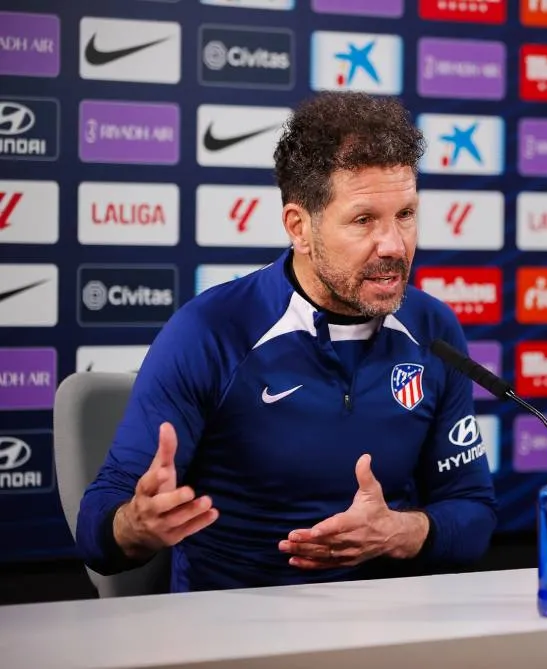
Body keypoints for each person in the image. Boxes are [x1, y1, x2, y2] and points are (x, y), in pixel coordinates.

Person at [75, 91, 498, 593]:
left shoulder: (434, 330)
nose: (393, 245)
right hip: (234, 625)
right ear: (300, 227)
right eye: (364, 220)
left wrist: (401, 532)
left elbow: (474, 513)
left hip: (390, 625)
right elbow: (96, 530)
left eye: (405, 215)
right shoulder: (210, 331)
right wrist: (136, 525)